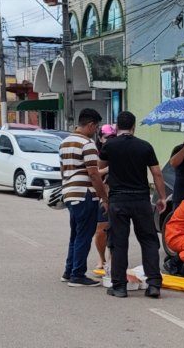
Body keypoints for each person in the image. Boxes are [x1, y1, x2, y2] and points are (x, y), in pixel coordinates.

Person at [98, 110, 167, 298]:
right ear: (134, 127)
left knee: (118, 242)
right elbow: (157, 174)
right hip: (141, 200)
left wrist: (104, 195)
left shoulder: (109, 146)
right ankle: (154, 285)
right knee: (149, 241)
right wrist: (162, 197)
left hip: (118, 200)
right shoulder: (145, 146)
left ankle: (119, 287)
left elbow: (99, 169)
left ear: (117, 127)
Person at [57, 108, 108, 288]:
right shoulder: (87, 144)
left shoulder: (64, 143)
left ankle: (69, 271)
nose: (96, 131)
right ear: (90, 125)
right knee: (84, 235)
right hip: (85, 194)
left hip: (70, 193)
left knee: (75, 234)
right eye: (96, 127)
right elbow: (93, 174)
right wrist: (104, 197)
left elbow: (64, 171)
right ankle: (78, 274)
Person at [92, 124, 117, 277]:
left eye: (113, 138)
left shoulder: (119, 151)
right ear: (100, 138)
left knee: (115, 230)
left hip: (116, 195)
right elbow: (93, 173)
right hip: (100, 195)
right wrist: (107, 170)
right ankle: (102, 259)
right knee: (100, 231)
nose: (110, 141)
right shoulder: (95, 153)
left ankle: (112, 259)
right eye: (107, 138)